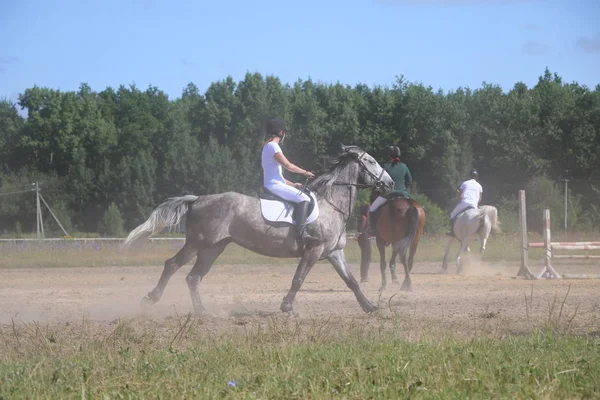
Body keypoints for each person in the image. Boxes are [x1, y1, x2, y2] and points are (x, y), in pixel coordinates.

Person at [261, 117, 315, 244]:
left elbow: (278, 176)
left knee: (301, 195)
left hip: (274, 183)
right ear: (281, 132)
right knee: (305, 199)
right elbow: (288, 166)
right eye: (284, 132)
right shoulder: (273, 146)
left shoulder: (267, 146)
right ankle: (301, 234)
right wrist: (305, 172)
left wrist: (293, 184)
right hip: (274, 186)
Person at [368, 145, 412, 234]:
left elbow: (379, 180)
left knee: (371, 209)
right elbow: (409, 180)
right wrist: (403, 189)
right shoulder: (404, 166)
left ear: (389, 155)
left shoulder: (385, 166)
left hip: (388, 194)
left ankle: (372, 230)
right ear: (399, 155)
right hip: (403, 194)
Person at [447, 170, 483, 236]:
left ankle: (452, 231)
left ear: (469, 176)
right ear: (477, 177)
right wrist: (475, 203)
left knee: (452, 215)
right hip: (474, 205)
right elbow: (480, 199)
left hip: (464, 203)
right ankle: (477, 232)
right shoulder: (479, 186)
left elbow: (459, 194)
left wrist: (460, 200)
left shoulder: (465, 183)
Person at [354, 205, 372, 282]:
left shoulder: (363, 217)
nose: (369, 211)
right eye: (368, 210)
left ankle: (364, 276)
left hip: (364, 238)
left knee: (366, 257)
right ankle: (364, 277)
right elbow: (360, 229)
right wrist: (356, 237)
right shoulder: (363, 217)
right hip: (364, 239)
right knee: (366, 257)